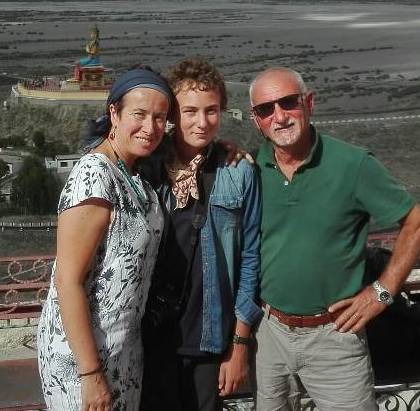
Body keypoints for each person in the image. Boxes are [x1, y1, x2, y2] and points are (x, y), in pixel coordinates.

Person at [249, 67, 420, 411]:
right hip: (269, 333)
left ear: (309, 103)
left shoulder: (352, 164)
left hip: (334, 335)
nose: (279, 116)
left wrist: (382, 293)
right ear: (255, 119)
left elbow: (418, 223)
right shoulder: (249, 168)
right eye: (266, 109)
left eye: (288, 103)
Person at [38, 69, 174, 411]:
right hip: (84, 357)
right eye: (139, 115)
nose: (151, 127)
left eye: (160, 118)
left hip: (123, 348)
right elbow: (68, 281)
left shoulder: (134, 174)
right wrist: (90, 373)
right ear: (114, 112)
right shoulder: (95, 175)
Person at [141, 57, 261, 411]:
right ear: (173, 114)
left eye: (211, 111)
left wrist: (238, 346)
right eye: (190, 111)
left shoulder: (238, 173)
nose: (202, 122)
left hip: (207, 337)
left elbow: (250, 259)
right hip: (149, 337)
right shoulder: (147, 168)